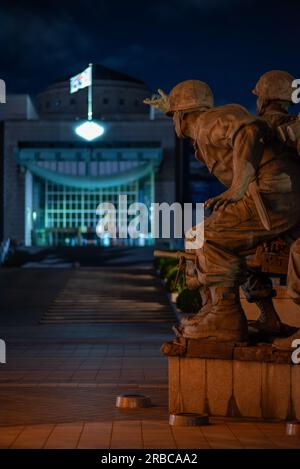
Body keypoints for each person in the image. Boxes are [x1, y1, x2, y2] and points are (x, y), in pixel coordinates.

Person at [144, 79, 300, 342]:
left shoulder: (208, 121)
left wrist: (238, 187)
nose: (172, 122)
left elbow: (248, 131)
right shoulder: (207, 126)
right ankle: (266, 316)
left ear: (182, 116)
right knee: (235, 246)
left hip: (273, 195)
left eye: (173, 116)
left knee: (206, 237)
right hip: (278, 195)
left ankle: (225, 317)